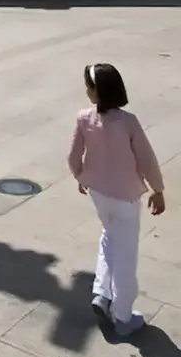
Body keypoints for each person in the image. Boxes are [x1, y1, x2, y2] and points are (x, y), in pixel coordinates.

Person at [68, 63, 165, 338]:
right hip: (126, 197)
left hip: (98, 192)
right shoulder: (128, 122)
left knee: (109, 236)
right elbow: (147, 160)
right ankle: (122, 315)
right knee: (126, 254)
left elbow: (72, 157)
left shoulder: (84, 118)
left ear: (98, 92)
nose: (86, 92)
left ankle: (101, 291)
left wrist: (81, 176)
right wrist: (157, 189)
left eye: (89, 87)